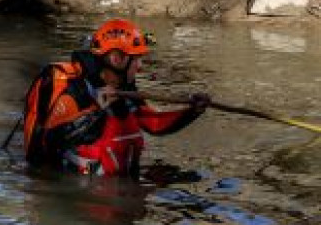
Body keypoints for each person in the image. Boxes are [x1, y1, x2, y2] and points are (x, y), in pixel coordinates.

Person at [22, 18, 210, 177]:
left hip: (116, 186)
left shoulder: (126, 90)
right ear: (116, 59)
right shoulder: (74, 90)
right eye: (136, 59)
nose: (140, 66)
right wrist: (96, 111)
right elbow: (50, 142)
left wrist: (192, 111)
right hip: (79, 192)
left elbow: (153, 124)